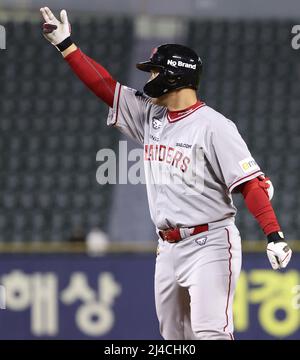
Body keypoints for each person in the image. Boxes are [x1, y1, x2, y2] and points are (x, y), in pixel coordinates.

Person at [40, 7, 292, 340]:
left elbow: (250, 185)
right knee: (173, 340)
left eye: (153, 71)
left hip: (210, 243)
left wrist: (273, 234)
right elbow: (106, 88)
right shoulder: (150, 116)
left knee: (211, 333)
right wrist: (67, 46)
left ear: (174, 75)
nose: (148, 78)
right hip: (168, 247)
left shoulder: (215, 127)